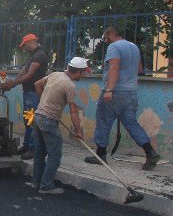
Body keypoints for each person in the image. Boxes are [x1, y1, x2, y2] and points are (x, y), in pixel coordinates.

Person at [84, 26, 160, 170]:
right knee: (132, 124)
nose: (105, 41)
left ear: (111, 34)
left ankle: (100, 155)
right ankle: (150, 152)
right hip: (131, 93)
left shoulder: (114, 47)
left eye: (105, 37)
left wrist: (109, 90)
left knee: (103, 121)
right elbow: (140, 70)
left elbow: (114, 68)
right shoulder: (134, 47)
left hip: (115, 92)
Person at [30, 57, 88, 194]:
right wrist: (78, 131)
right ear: (79, 72)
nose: (84, 75)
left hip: (38, 117)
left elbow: (37, 84)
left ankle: (37, 183)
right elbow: (73, 111)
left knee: (39, 153)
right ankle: (46, 186)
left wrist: (42, 101)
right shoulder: (70, 86)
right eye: (83, 72)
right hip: (49, 121)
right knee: (55, 155)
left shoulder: (55, 74)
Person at [0, 33, 48, 160]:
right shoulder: (33, 56)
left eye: (25, 45)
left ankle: (33, 148)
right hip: (28, 92)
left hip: (34, 93)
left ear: (31, 42)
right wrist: (13, 82)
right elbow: (24, 71)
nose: (24, 48)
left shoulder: (39, 55)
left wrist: (13, 84)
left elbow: (30, 74)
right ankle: (27, 145)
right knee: (28, 121)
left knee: (32, 121)